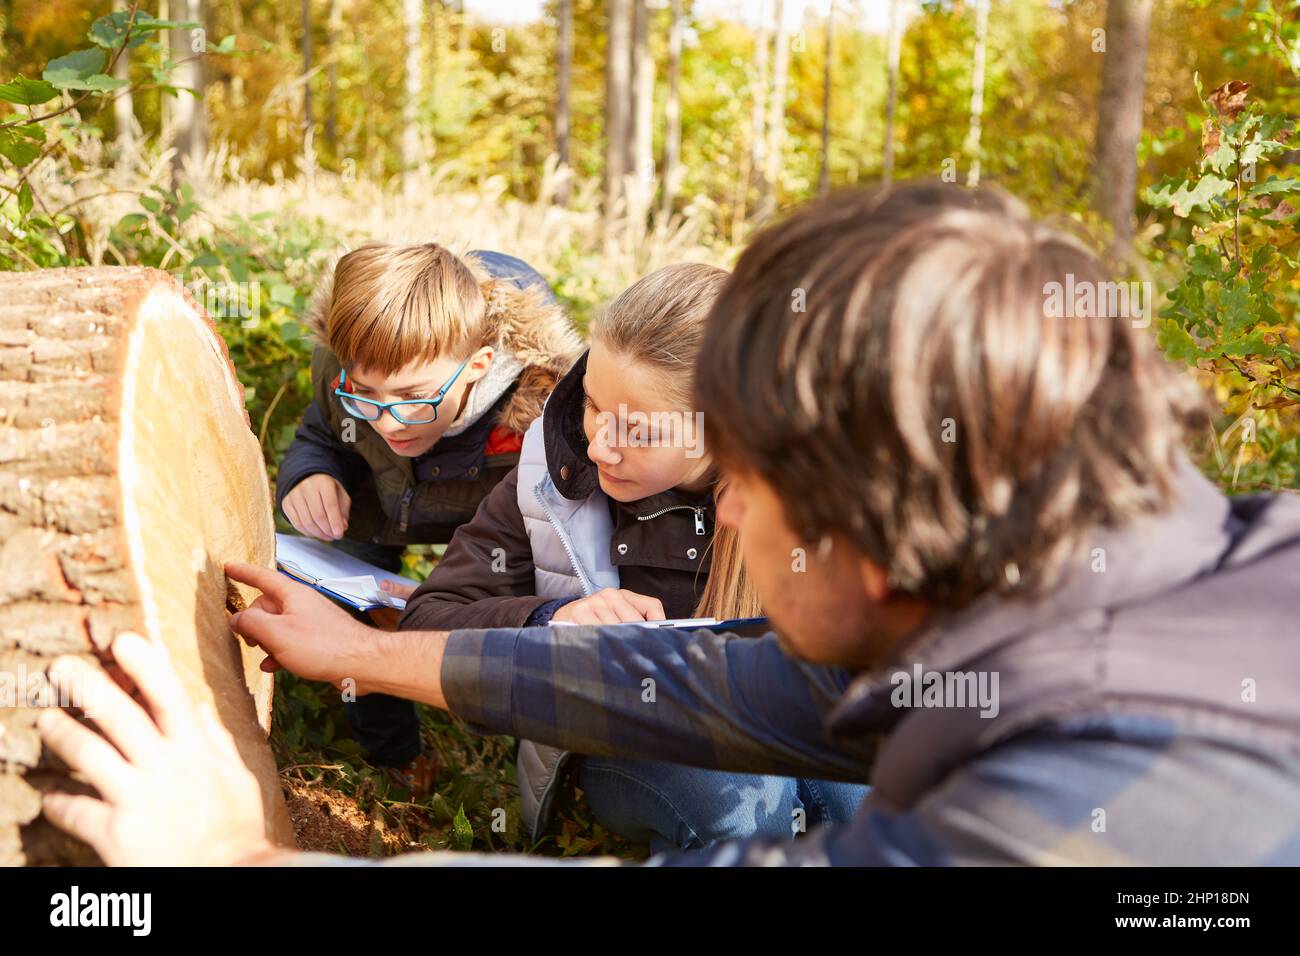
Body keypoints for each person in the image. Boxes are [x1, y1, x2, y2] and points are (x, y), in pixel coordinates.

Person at [38, 183, 1300, 866]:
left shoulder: (1120, 795)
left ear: (863, 520)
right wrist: (359, 652)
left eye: (743, 472)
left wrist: (230, 856)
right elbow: (711, 674)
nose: (726, 506)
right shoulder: (1103, 593)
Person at [392, 263, 867, 851]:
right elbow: (427, 618)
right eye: (593, 404)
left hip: (790, 722)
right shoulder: (551, 472)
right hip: (619, 742)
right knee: (743, 806)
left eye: (639, 432)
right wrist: (554, 621)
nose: (598, 446)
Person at [275, 243, 582, 790]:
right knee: (359, 614)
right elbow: (323, 434)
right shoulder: (341, 363)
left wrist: (450, 612)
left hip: (490, 527)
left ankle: (517, 764)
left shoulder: (540, 418)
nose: (389, 422)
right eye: (364, 395)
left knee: (506, 618)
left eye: (413, 397)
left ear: (479, 366)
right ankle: (392, 753)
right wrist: (310, 474)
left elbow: (536, 550)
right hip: (377, 511)